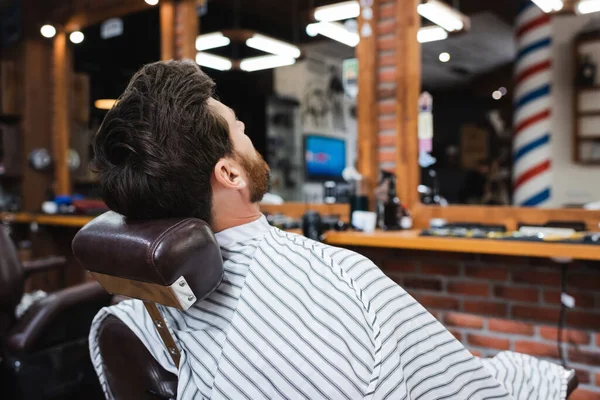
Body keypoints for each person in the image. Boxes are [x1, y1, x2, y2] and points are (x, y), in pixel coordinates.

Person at [89, 60, 571, 400]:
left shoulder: (153, 296)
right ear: (230, 174)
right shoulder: (338, 277)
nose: (250, 140)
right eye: (241, 131)